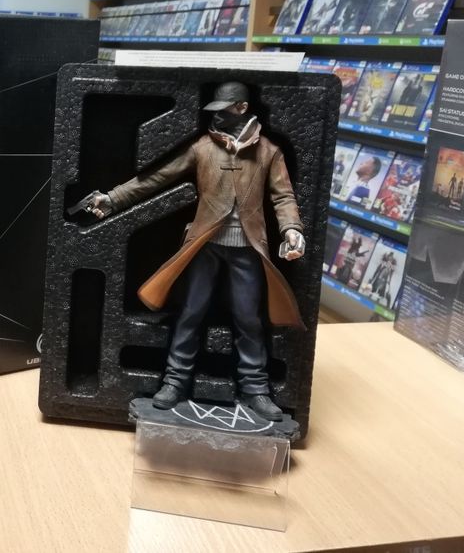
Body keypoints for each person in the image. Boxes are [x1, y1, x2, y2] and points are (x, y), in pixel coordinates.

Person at [86, 81, 305, 422]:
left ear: (242, 108)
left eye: (224, 110)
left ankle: (256, 389)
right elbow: (156, 178)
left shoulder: (268, 152)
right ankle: (175, 381)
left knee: (249, 319)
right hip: (205, 247)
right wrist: (112, 198)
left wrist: (292, 229)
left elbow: (283, 196)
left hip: (248, 249)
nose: (217, 116)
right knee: (190, 313)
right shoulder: (203, 148)